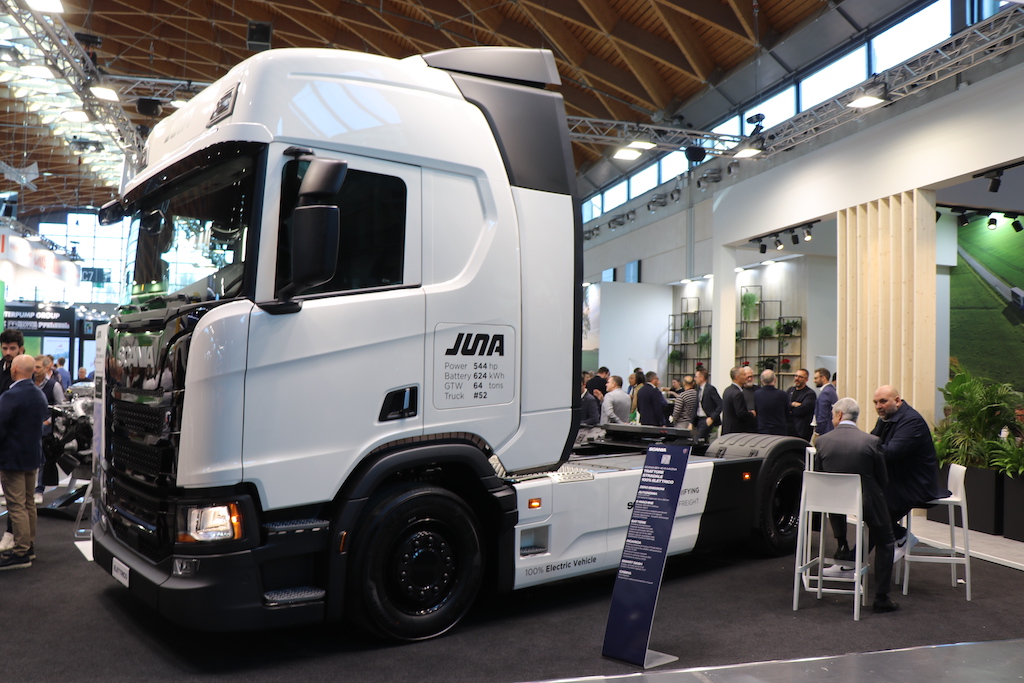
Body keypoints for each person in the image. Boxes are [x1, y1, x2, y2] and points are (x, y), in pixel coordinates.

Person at [813, 397, 899, 613]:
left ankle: (842, 544)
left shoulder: (822, 442)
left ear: (839, 414)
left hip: (834, 503)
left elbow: (820, 476)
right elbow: (883, 479)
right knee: (886, 540)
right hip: (866, 502)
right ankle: (881, 597)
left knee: (834, 499)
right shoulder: (871, 441)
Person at [871, 385, 949, 560]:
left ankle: (852, 562)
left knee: (873, 507)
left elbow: (890, 452)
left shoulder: (912, 421)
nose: (878, 406)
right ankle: (899, 536)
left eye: (883, 401)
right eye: (875, 403)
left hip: (915, 484)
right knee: (870, 504)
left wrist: (865, 451)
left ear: (897, 401)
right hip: (899, 479)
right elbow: (873, 443)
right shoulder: (886, 418)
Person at [0, 354, 50, 570]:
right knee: (28, 503)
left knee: (16, 505)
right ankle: (28, 546)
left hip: (12, 458)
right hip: (32, 457)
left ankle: (20, 552)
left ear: (14, 370)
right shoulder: (39, 395)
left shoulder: (11, 396)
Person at [721, 366, 756, 434]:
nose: (746, 377)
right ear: (737, 377)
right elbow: (741, 414)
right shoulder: (737, 393)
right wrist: (752, 414)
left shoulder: (727, 390)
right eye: (744, 374)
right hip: (736, 431)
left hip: (727, 430)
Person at [755, 369, 789, 436]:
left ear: (762, 381)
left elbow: (757, 411)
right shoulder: (782, 394)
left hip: (763, 430)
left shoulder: (757, 394)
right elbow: (787, 413)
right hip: (779, 430)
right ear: (775, 380)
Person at [692, 368, 722, 440]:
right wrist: (691, 422)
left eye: (696, 377)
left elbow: (720, 404)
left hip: (707, 419)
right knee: (696, 439)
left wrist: (712, 418)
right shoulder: (698, 389)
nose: (694, 379)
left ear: (702, 378)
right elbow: (696, 406)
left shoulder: (710, 389)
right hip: (699, 419)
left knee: (700, 439)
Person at [787, 368, 816, 440]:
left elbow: (803, 410)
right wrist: (793, 404)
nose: (797, 378)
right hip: (788, 429)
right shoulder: (790, 390)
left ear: (806, 379)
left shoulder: (810, 393)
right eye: (796, 376)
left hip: (801, 431)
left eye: (800, 377)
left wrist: (790, 410)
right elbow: (783, 404)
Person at [813, 367, 838, 442]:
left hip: (825, 431)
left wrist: (818, 432)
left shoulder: (826, 392)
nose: (814, 381)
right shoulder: (831, 390)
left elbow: (822, 415)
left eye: (816, 378)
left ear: (823, 378)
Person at [0, 329, 25, 395]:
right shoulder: (1, 365)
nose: (8, 352)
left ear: (21, 349)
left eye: (12, 348)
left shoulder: (26, 371)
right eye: (5, 348)